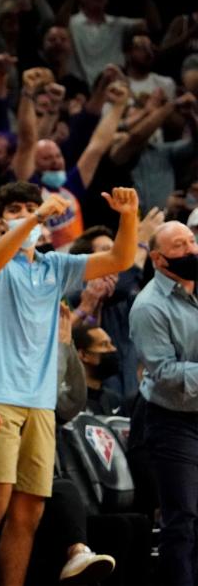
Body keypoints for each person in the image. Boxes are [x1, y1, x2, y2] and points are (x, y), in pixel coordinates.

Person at [0, 181, 139, 586]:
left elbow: (120, 257)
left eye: (33, 206)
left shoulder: (55, 267)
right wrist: (37, 214)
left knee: (30, 512)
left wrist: (129, 216)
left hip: (41, 401)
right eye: (18, 208)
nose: (30, 212)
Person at [129, 220, 198, 585]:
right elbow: (164, 371)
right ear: (157, 258)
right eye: (179, 246)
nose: (191, 250)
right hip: (171, 420)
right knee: (182, 515)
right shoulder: (148, 307)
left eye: (192, 241)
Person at [72, 323, 126, 416]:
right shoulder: (67, 402)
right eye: (104, 344)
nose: (113, 349)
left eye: (111, 343)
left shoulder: (115, 400)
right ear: (84, 355)